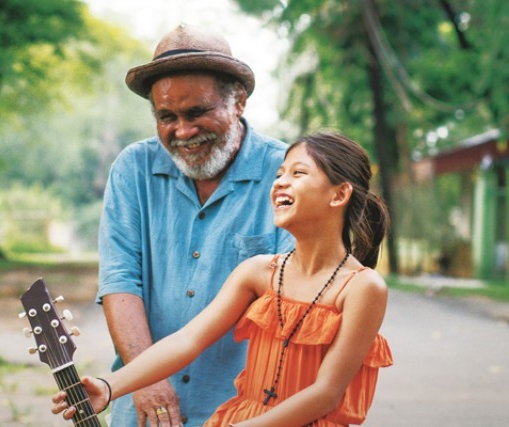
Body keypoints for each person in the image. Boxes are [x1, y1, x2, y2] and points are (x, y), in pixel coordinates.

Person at [53, 131, 393, 426]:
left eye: (298, 173)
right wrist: (110, 386)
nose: (280, 182)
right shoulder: (259, 272)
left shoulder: (362, 288)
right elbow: (186, 341)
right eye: (279, 173)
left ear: (338, 194)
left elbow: (326, 394)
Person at [93, 24, 294, 426]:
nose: (183, 131)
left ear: (238, 102)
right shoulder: (133, 169)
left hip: (248, 409)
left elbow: (296, 304)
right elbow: (120, 281)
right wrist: (146, 379)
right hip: (143, 407)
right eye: (167, 116)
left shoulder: (288, 173)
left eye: (197, 112)